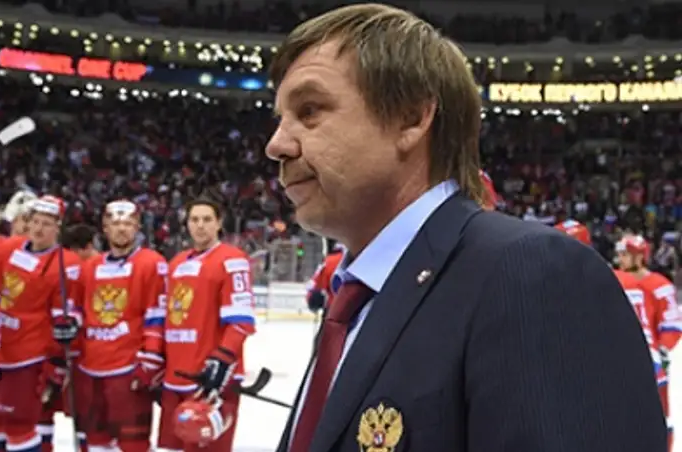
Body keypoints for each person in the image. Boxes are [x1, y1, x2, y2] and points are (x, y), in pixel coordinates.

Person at [265, 4, 666, 451]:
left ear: (411, 118)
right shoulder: (353, 302)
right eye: (280, 119)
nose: (276, 145)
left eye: (310, 110)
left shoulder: (533, 275)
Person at [64, 199, 167, 452]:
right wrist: (68, 326)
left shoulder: (152, 263)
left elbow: (157, 315)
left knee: (133, 444)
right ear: (105, 228)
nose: (121, 229)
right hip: (91, 368)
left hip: (129, 369)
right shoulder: (90, 267)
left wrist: (151, 358)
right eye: (116, 223)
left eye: (128, 223)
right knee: (95, 442)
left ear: (137, 227)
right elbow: (77, 310)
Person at [0, 196, 82, 452]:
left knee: (19, 424)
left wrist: (58, 358)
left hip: (29, 357)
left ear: (58, 227)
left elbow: (66, 314)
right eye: (35, 222)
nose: (38, 229)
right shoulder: (9, 248)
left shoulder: (66, 263)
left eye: (46, 224)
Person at [159, 198, 256, 451]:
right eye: (194, 220)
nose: (200, 225)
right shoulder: (176, 263)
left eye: (207, 219)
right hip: (175, 376)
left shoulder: (232, 260)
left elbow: (241, 321)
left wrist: (222, 360)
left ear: (219, 223)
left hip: (211, 379)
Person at [617, 234, 682, 450]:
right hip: (624, 355)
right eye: (620, 254)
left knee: (659, 414)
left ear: (639, 257)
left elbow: (672, 325)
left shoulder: (659, 285)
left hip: (652, 357)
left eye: (625, 254)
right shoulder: (616, 281)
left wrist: (662, 350)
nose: (620, 259)